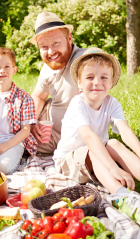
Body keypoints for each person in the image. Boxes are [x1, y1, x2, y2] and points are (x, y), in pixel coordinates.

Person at [53, 47, 140, 198]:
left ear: (111, 81)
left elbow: (125, 132)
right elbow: (89, 137)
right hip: (68, 161)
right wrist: (112, 167)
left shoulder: (111, 103)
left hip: (99, 154)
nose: (97, 82)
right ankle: (124, 198)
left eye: (104, 77)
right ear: (79, 83)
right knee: (92, 150)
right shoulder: (77, 104)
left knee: (113, 142)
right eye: (90, 77)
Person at [29, 12, 86, 155]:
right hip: (48, 130)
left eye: (56, 43)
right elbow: (39, 96)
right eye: (44, 46)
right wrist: (32, 120)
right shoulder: (47, 68)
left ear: (70, 39)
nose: (51, 51)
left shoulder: (84, 60)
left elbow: (98, 57)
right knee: (11, 140)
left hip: (78, 136)